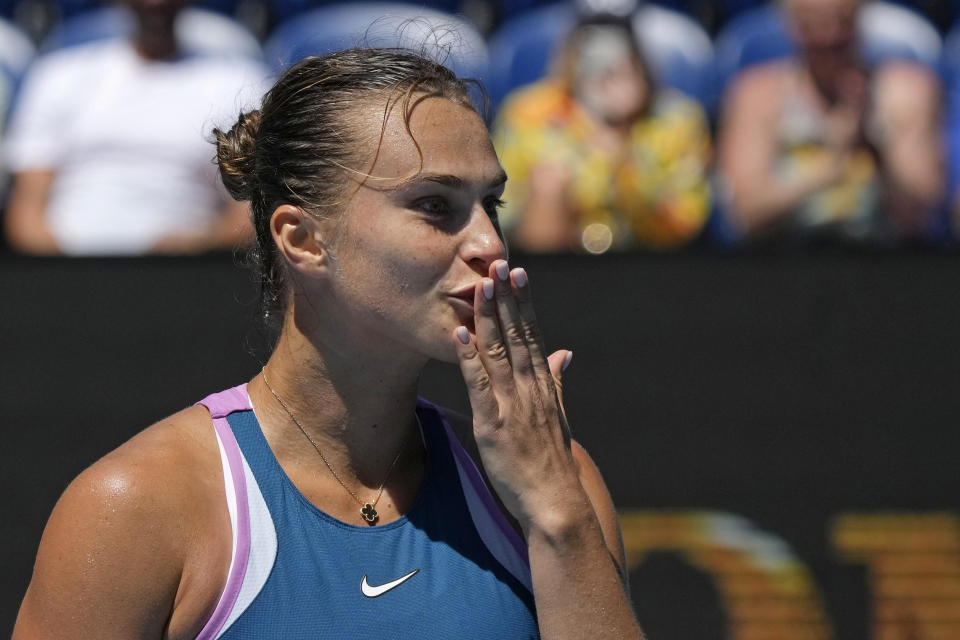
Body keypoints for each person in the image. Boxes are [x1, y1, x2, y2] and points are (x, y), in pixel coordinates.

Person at [12, 49, 643, 638]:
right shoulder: (133, 508)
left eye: (492, 204)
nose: (490, 245)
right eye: (434, 205)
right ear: (303, 239)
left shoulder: (555, 479)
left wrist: (560, 514)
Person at [1, 0, 267, 255]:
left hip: (186, 278)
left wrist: (203, 244)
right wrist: (73, 272)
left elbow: (251, 210)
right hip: (63, 276)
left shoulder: (237, 84)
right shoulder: (57, 77)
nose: (155, 3)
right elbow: (27, 210)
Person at [716, 0, 944, 244]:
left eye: (841, 21)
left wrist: (872, 147)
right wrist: (831, 165)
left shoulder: (907, 92)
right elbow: (746, 215)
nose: (829, 35)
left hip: (885, 262)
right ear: (792, 26)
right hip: (785, 263)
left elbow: (919, 218)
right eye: (813, 24)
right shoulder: (757, 95)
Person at [492, 13, 711, 254]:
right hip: (559, 254)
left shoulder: (676, 119)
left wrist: (625, 151)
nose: (607, 74)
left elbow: (688, 220)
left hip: (649, 256)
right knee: (548, 184)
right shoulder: (529, 113)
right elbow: (503, 208)